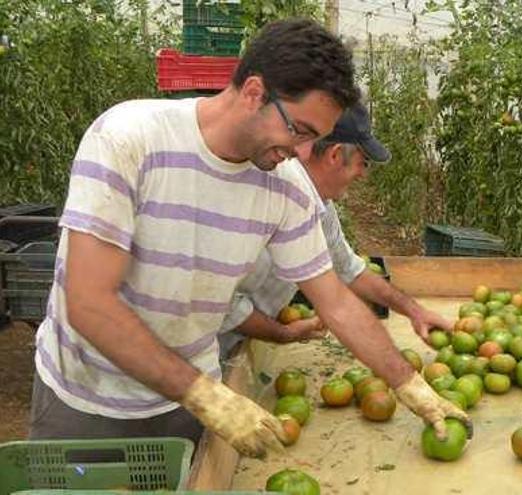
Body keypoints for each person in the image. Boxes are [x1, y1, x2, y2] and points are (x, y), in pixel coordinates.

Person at [29, 18, 470, 459]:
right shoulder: (129, 139)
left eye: (315, 138)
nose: (301, 153)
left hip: (188, 405)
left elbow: (335, 300)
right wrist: (205, 395)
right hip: (85, 399)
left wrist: (409, 385)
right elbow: (87, 302)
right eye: (299, 130)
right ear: (254, 92)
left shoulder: (286, 185)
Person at [218, 103, 453, 358]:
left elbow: (348, 269)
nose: (363, 175)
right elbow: (225, 303)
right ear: (335, 154)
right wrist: (282, 333)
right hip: (202, 353)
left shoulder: (321, 205)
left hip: (240, 345)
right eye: (363, 163)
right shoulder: (270, 200)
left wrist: (414, 311)